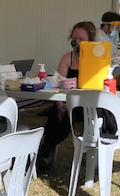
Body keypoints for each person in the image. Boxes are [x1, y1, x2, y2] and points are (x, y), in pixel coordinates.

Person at [36, 21, 98, 172]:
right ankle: (46, 155)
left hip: (89, 105)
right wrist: (59, 104)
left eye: (81, 39)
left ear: (90, 40)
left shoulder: (97, 57)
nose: (76, 42)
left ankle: (44, 151)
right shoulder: (67, 58)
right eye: (74, 37)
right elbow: (58, 83)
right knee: (54, 112)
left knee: (69, 114)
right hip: (66, 100)